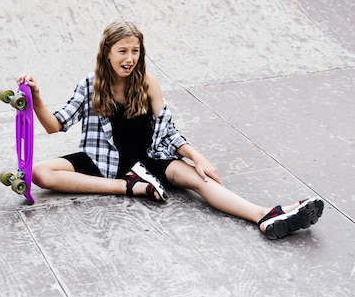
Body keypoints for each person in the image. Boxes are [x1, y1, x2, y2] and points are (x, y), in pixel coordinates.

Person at [18, 19, 324, 240]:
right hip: (105, 163)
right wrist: (37, 98)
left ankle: (265, 215)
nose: (130, 58)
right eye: (123, 51)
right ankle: (131, 187)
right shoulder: (91, 84)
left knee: (199, 179)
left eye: (135, 51)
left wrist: (197, 156)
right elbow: (54, 125)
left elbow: (168, 130)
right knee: (39, 173)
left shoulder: (147, 82)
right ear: (107, 52)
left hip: (152, 161)